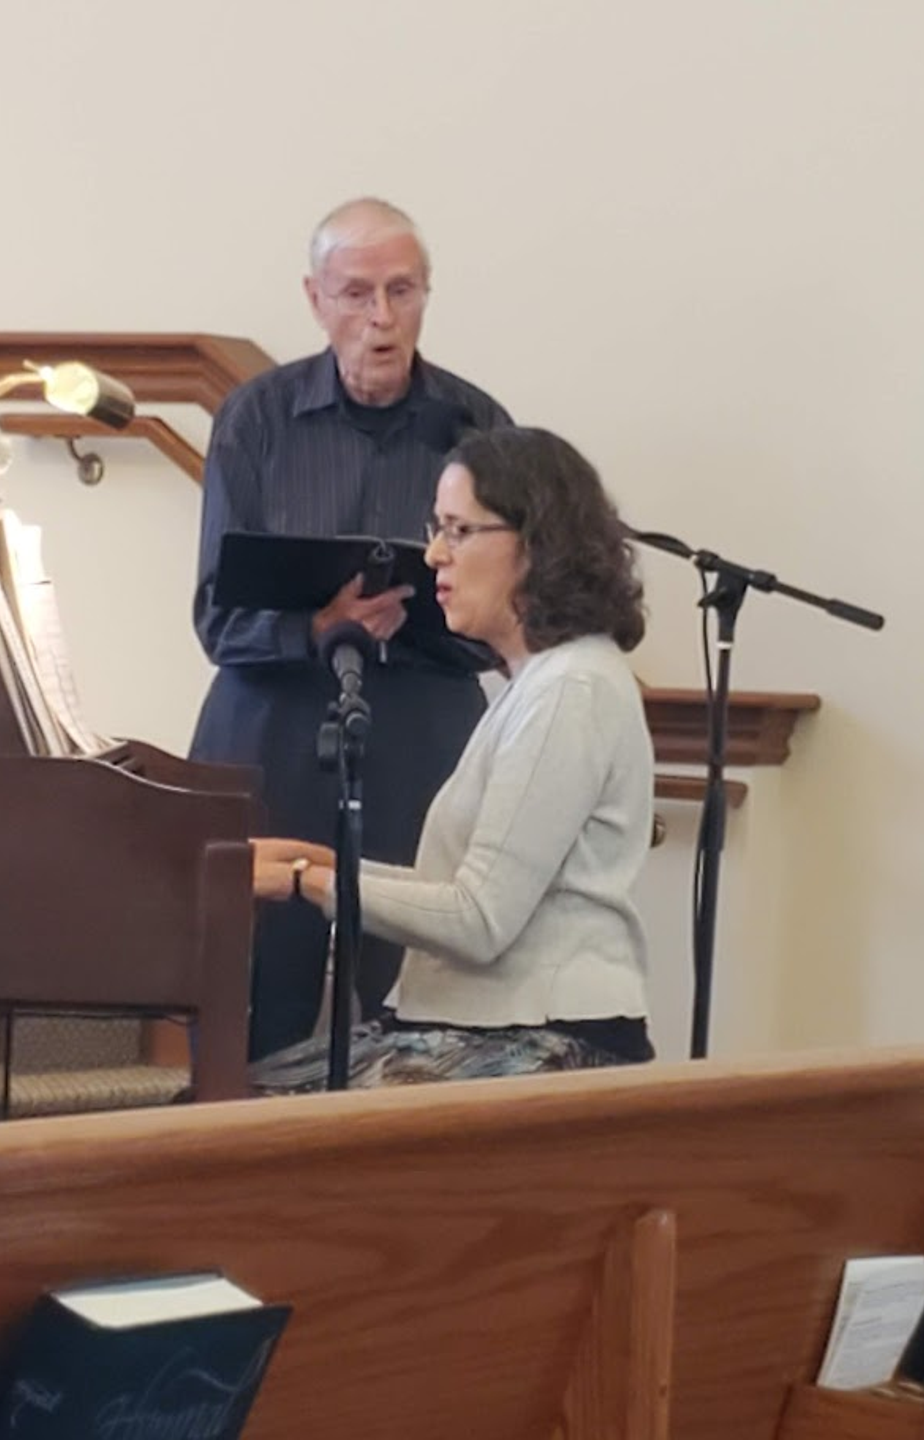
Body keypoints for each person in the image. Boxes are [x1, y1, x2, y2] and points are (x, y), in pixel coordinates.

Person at [189, 198, 512, 1060]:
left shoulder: (481, 427)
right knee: (260, 996)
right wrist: (321, 624)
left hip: (422, 727)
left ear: (426, 295)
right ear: (315, 298)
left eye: (401, 290)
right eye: (357, 292)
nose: (381, 317)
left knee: (417, 999)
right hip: (275, 726)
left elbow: (505, 620)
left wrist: (420, 613)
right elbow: (218, 615)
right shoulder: (256, 418)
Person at [248, 426, 655, 1091]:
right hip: (487, 1028)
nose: (434, 554)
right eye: (436, 529)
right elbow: (467, 892)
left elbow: (477, 921)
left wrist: (306, 884)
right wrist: (319, 860)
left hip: (545, 1041)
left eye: (459, 532)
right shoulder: (538, 683)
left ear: (536, 543)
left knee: (240, 1125)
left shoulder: (570, 691)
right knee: (221, 1105)